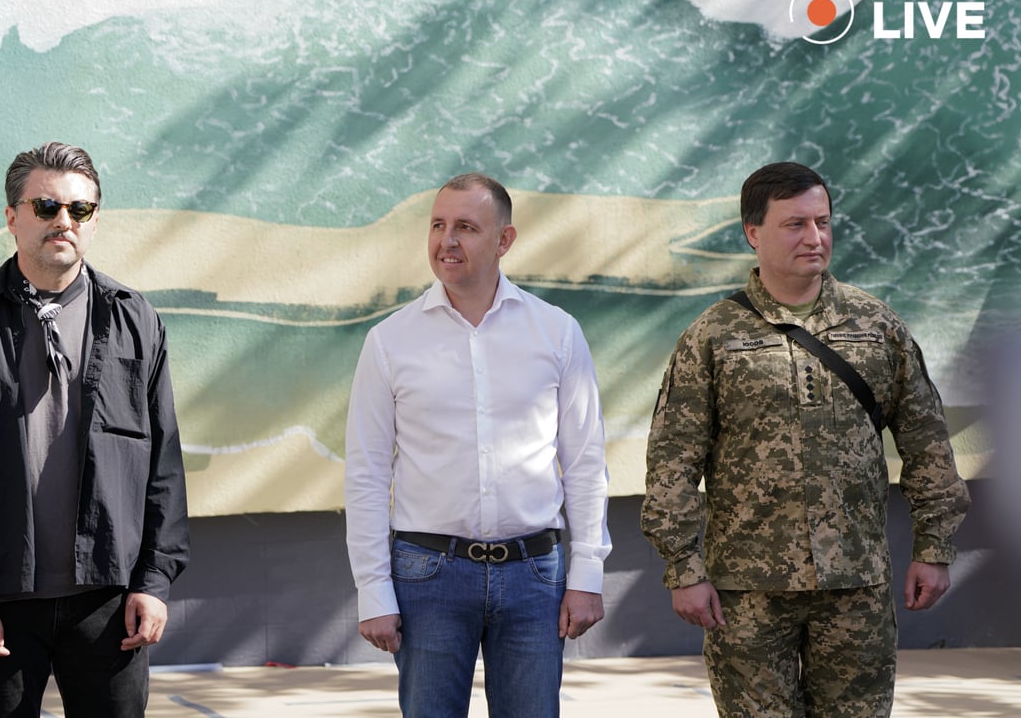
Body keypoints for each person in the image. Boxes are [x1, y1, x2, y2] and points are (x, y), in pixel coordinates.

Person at [641, 161, 970, 717]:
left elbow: (928, 445)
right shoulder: (713, 336)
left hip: (856, 585)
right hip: (746, 592)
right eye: (795, 224)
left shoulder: (876, 327)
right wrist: (683, 569)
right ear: (753, 233)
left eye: (822, 222)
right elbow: (672, 462)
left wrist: (934, 548)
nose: (814, 237)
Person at [0, 142, 190, 718]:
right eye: (46, 206)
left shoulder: (135, 318)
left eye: (80, 209)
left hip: (111, 601)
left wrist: (154, 581)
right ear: (12, 217)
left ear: (94, 220)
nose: (64, 220)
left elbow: (163, 464)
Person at [344, 173, 611, 718]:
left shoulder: (557, 333)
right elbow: (366, 473)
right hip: (427, 576)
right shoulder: (389, 341)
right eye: (438, 225)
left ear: (504, 240)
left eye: (465, 227)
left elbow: (585, 464)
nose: (447, 240)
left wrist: (587, 575)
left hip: (535, 576)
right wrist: (373, 589)